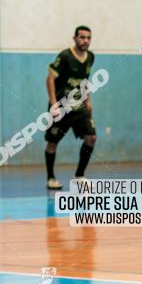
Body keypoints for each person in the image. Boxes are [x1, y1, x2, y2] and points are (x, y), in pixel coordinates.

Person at [45, 25, 97, 189]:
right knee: (52, 143)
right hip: (61, 107)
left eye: (88, 38)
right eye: (82, 37)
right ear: (75, 38)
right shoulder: (65, 56)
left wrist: (88, 100)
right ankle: (51, 178)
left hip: (79, 107)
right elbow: (50, 79)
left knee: (91, 138)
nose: (85, 41)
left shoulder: (90, 57)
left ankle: (79, 175)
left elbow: (84, 80)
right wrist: (54, 103)